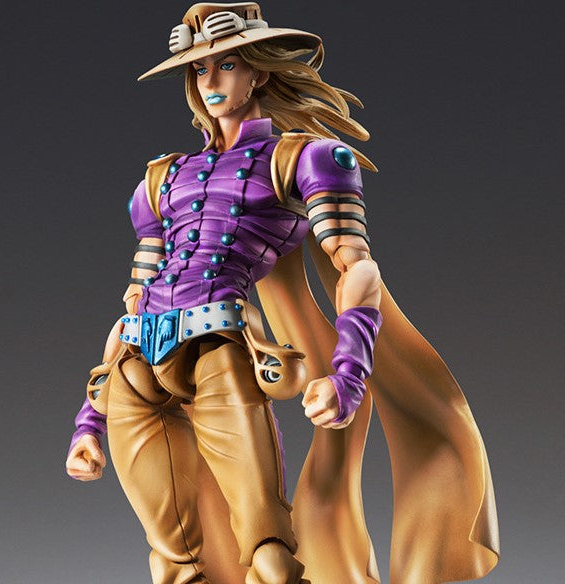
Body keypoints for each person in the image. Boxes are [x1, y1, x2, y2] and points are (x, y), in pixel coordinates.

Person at [66, 3, 499, 583]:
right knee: (177, 566)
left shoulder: (305, 159)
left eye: (227, 64)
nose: (211, 80)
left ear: (259, 72)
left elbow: (358, 268)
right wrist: (88, 423)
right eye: (199, 69)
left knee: (269, 553)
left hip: (220, 351)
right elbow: (134, 301)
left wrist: (348, 375)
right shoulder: (161, 178)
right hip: (136, 368)